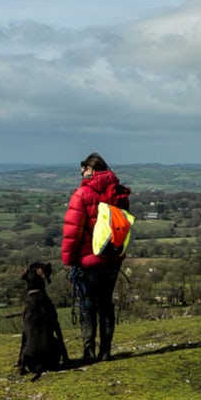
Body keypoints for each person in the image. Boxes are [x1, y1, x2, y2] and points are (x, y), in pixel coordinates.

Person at [61, 153, 131, 362]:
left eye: (83, 169)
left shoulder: (81, 194)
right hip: (112, 258)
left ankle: (89, 351)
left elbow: (72, 231)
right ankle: (106, 351)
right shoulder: (119, 193)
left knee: (88, 305)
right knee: (106, 304)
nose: (81, 173)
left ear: (91, 170)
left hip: (88, 260)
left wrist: (68, 259)